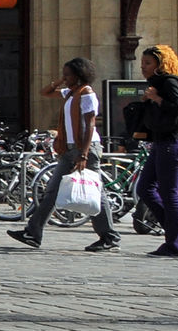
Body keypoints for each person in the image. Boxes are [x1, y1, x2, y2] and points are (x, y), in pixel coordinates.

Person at [9, 57, 118, 252]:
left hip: (86, 147)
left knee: (95, 192)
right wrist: (60, 80)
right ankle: (33, 233)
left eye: (68, 74)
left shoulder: (86, 93)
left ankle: (109, 236)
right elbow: (46, 92)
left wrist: (83, 154)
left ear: (79, 74)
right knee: (52, 190)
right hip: (69, 148)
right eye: (64, 74)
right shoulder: (71, 93)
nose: (65, 78)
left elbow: (90, 123)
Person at [135, 44, 178, 259]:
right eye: (142, 62)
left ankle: (175, 246)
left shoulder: (169, 82)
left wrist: (157, 99)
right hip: (161, 143)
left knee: (169, 194)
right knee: (144, 188)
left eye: (148, 63)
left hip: (173, 142)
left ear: (160, 65)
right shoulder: (155, 84)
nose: (143, 67)